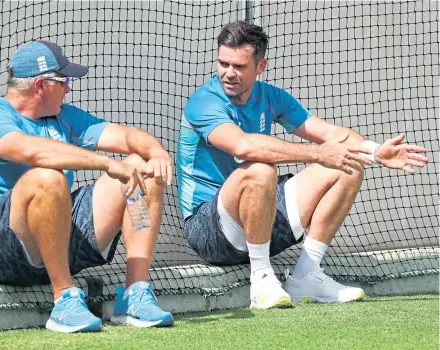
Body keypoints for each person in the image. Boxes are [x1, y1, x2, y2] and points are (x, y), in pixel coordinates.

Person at [176, 21, 428, 309]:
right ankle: (261, 279)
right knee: (261, 167)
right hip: (211, 232)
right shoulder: (204, 101)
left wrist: (373, 152)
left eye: (239, 66)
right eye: (223, 63)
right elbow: (243, 146)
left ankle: (307, 274)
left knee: (348, 164)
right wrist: (317, 154)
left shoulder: (271, 96)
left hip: (261, 217)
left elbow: (331, 135)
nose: (228, 73)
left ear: (260, 67)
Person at [0, 40, 175, 332]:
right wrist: (106, 163)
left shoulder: (64, 116)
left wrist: (158, 153)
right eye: (64, 81)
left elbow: (127, 137)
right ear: (40, 85)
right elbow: (35, 152)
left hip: (57, 241)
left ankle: (134, 294)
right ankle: (64, 298)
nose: (69, 88)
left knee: (140, 168)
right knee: (47, 176)